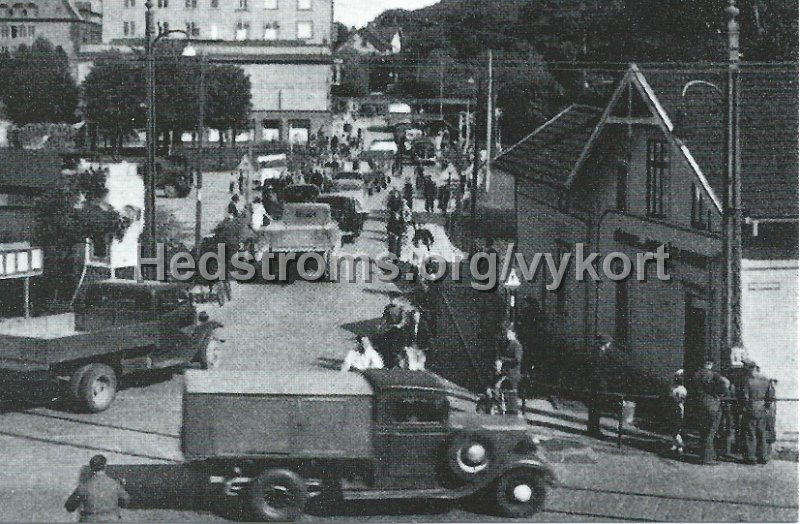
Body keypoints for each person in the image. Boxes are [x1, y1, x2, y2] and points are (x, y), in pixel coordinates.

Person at [65, 455, 130, 522]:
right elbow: (126, 501)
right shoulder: (115, 484)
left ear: (91, 468)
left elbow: (69, 507)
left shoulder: (85, 486)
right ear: (105, 466)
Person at [691, 359, 729, 464]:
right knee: (710, 432)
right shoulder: (714, 375)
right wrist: (721, 393)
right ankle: (707, 458)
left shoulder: (696, 375)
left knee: (703, 432)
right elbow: (726, 382)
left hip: (699, 404)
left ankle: (703, 455)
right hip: (712, 405)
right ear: (710, 364)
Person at [738, 359, 775, 464]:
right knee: (761, 433)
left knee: (750, 433)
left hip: (751, 408)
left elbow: (745, 397)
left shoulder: (747, 380)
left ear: (749, 368)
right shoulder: (765, 379)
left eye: (745, 367)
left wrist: (743, 408)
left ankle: (751, 457)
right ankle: (763, 456)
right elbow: (770, 396)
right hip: (762, 408)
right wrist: (766, 406)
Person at [587, 334, 613, 437]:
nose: (610, 345)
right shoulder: (599, 354)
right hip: (598, 385)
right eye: (609, 343)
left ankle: (592, 429)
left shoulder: (599, 352)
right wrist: (601, 385)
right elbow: (597, 371)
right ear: (605, 343)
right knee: (596, 408)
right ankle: (594, 430)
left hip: (596, 384)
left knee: (595, 408)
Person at [496, 324, 524, 417]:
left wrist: (504, 360)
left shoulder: (516, 345)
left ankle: (513, 414)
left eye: (509, 333)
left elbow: (517, 359)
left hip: (513, 374)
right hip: (506, 373)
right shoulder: (508, 344)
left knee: (512, 395)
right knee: (503, 394)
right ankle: (505, 413)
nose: (507, 335)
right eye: (507, 333)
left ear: (514, 334)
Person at [669, 369, 688, 455]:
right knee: (674, 427)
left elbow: (681, 399)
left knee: (677, 427)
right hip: (673, 407)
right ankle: (676, 445)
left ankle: (680, 444)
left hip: (678, 407)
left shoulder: (682, 389)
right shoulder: (673, 387)